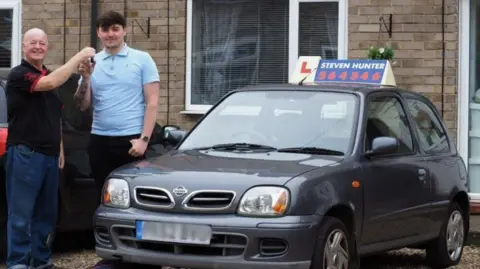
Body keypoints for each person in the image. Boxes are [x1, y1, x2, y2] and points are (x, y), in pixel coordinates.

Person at [4, 28, 95, 269]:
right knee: (21, 216)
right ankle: (18, 264)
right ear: (23, 46)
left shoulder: (49, 79)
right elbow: (51, 82)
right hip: (26, 154)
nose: (37, 47)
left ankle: (40, 262)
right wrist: (78, 57)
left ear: (47, 47)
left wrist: (86, 78)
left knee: (46, 216)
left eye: (42, 43)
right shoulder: (19, 75)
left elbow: (59, 116)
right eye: (32, 42)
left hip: (50, 157)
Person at [73, 11, 160, 202]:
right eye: (105, 30)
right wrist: (86, 78)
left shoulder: (142, 59)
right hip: (99, 140)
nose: (110, 34)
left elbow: (152, 102)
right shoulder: (92, 62)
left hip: (131, 140)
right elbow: (82, 104)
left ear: (124, 31)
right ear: (98, 33)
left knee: (134, 197)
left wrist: (143, 140)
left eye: (115, 29)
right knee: (103, 196)